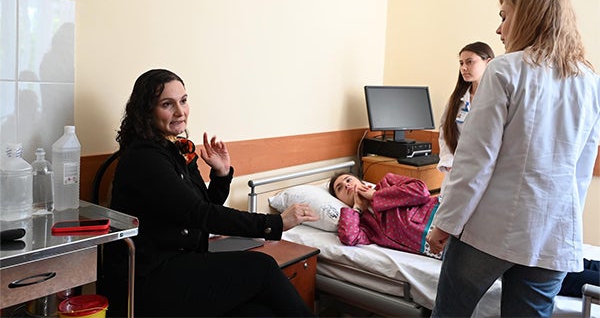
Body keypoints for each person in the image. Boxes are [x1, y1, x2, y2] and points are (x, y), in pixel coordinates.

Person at [426, 0, 600, 318]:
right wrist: (566, 223)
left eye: (505, 16)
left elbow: (476, 162)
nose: (499, 28)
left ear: (527, 17)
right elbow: (581, 170)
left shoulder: (505, 70)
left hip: (491, 230)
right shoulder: (591, 82)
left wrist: (444, 224)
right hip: (552, 234)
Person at [102, 68, 319, 317]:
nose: (180, 112)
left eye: (183, 101)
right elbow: (198, 213)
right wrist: (274, 223)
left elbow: (201, 207)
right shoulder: (144, 158)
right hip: (149, 279)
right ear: (146, 111)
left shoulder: (176, 149)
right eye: (167, 104)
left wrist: (221, 174)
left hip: (181, 266)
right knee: (264, 267)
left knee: (258, 313)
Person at [328, 172, 442, 259]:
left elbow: (421, 191)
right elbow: (348, 237)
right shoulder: (365, 225)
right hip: (434, 247)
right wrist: (357, 208)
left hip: (440, 215)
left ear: (361, 182)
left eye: (348, 180)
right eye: (340, 188)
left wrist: (375, 195)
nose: (346, 185)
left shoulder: (387, 182)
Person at [437, 41, 495, 173]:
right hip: (456, 169)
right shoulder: (457, 99)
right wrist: (448, 161)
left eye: (470, 62)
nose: (463, 67)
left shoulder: (497, 98)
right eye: (461, 63)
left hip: (486, 171)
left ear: (488, 62)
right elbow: (445, 131)